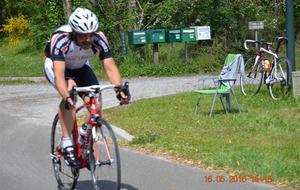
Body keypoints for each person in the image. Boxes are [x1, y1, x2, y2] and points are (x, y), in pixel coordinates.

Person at [44, 7, 129, 168]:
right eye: (83, 35)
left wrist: (120, 90)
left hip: (82, 66)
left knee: (95, 99)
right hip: (58, 67)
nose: (88, 39)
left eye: (91, 34)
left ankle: (85, 131)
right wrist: (67, 97)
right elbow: (59, 75)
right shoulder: (61, 39)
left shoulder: (99, 38)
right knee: (70, 91)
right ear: (74, 32)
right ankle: (67, 142)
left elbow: (110, 66)